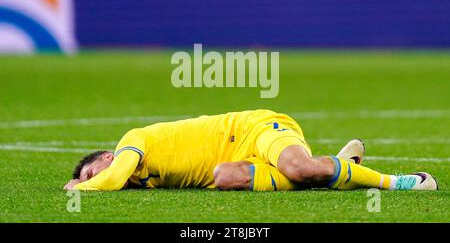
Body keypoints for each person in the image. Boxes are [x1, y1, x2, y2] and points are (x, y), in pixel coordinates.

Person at [63, 109, 438, 191]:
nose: (94, 178)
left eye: (91, 172)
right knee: (223, 177)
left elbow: (110, 180)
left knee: (299, 168)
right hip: (236, 162)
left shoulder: (132, 141)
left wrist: (78, 188)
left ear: (107, 157)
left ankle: (399, 182)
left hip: (255, 129)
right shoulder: (147, 183)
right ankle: (338, 168)